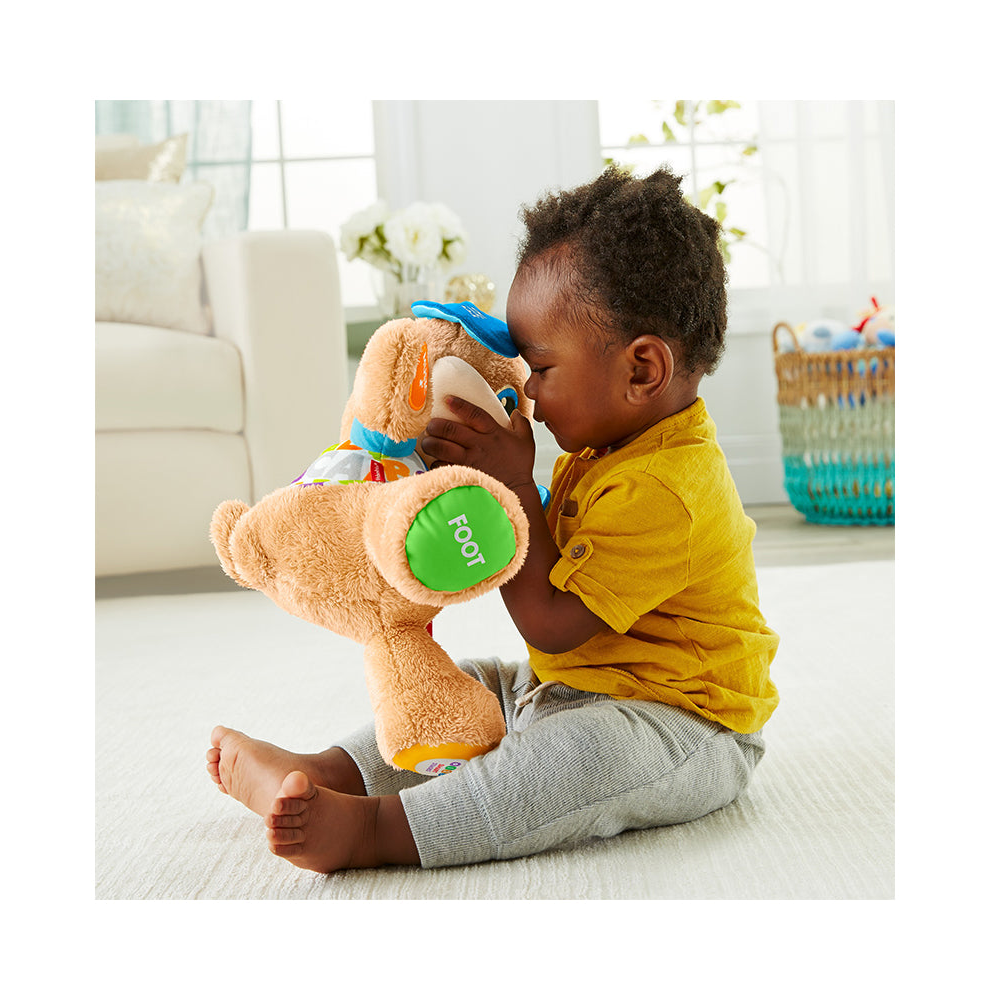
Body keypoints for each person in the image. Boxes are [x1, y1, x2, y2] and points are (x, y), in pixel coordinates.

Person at [206, 164, 779, 873]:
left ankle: (376, 830)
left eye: (542, 369)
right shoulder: (608, 446)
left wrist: (510, 484)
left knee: (577, 758)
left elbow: (552, 623)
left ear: (641, 371)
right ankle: (328, 770)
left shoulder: (670, 489)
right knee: (469, 689)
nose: (528, 391)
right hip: (572, 684)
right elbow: (548, 593)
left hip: (684, 725)